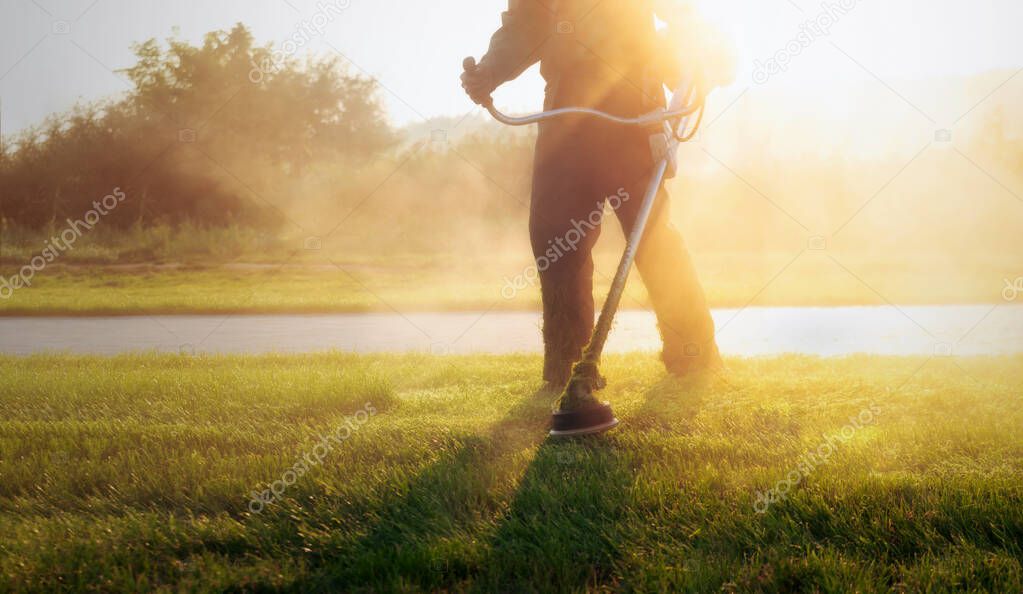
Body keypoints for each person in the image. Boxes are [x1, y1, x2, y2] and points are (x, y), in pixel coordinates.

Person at [462, 0, 731, 389]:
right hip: (564, 113)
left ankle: (695, 359)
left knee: (652, 237)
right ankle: (566, 367)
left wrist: (695, 58)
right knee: (555, 239)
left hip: (635, 108)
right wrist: (488, 72)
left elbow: (682, 16)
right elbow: (523, 26)